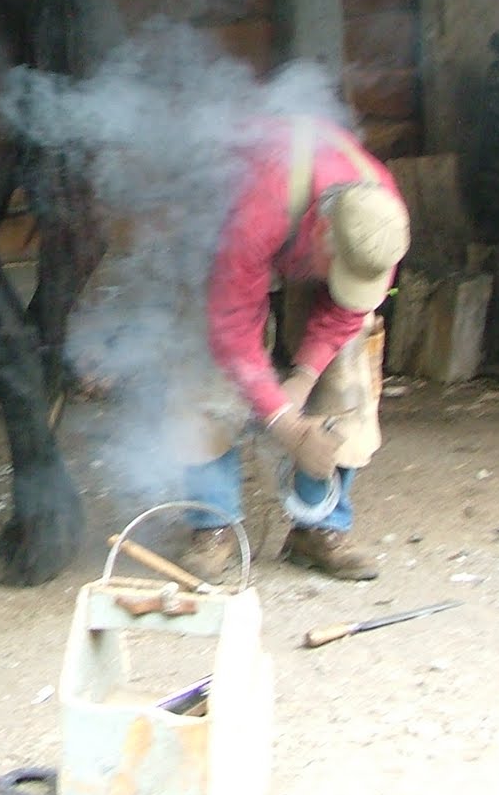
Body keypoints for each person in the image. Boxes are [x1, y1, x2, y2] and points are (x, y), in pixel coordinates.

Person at [174, 113, 410, 581]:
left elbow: (349, 308)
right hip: (226, 223)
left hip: (299, 223)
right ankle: (213, 523)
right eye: (338, 269)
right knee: (204, 362)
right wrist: (283, 423)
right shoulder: (258, 208)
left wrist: (302, 379)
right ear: (321, 232)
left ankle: (318, 525)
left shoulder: (381, 218)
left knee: (350, 371)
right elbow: (233, 329)